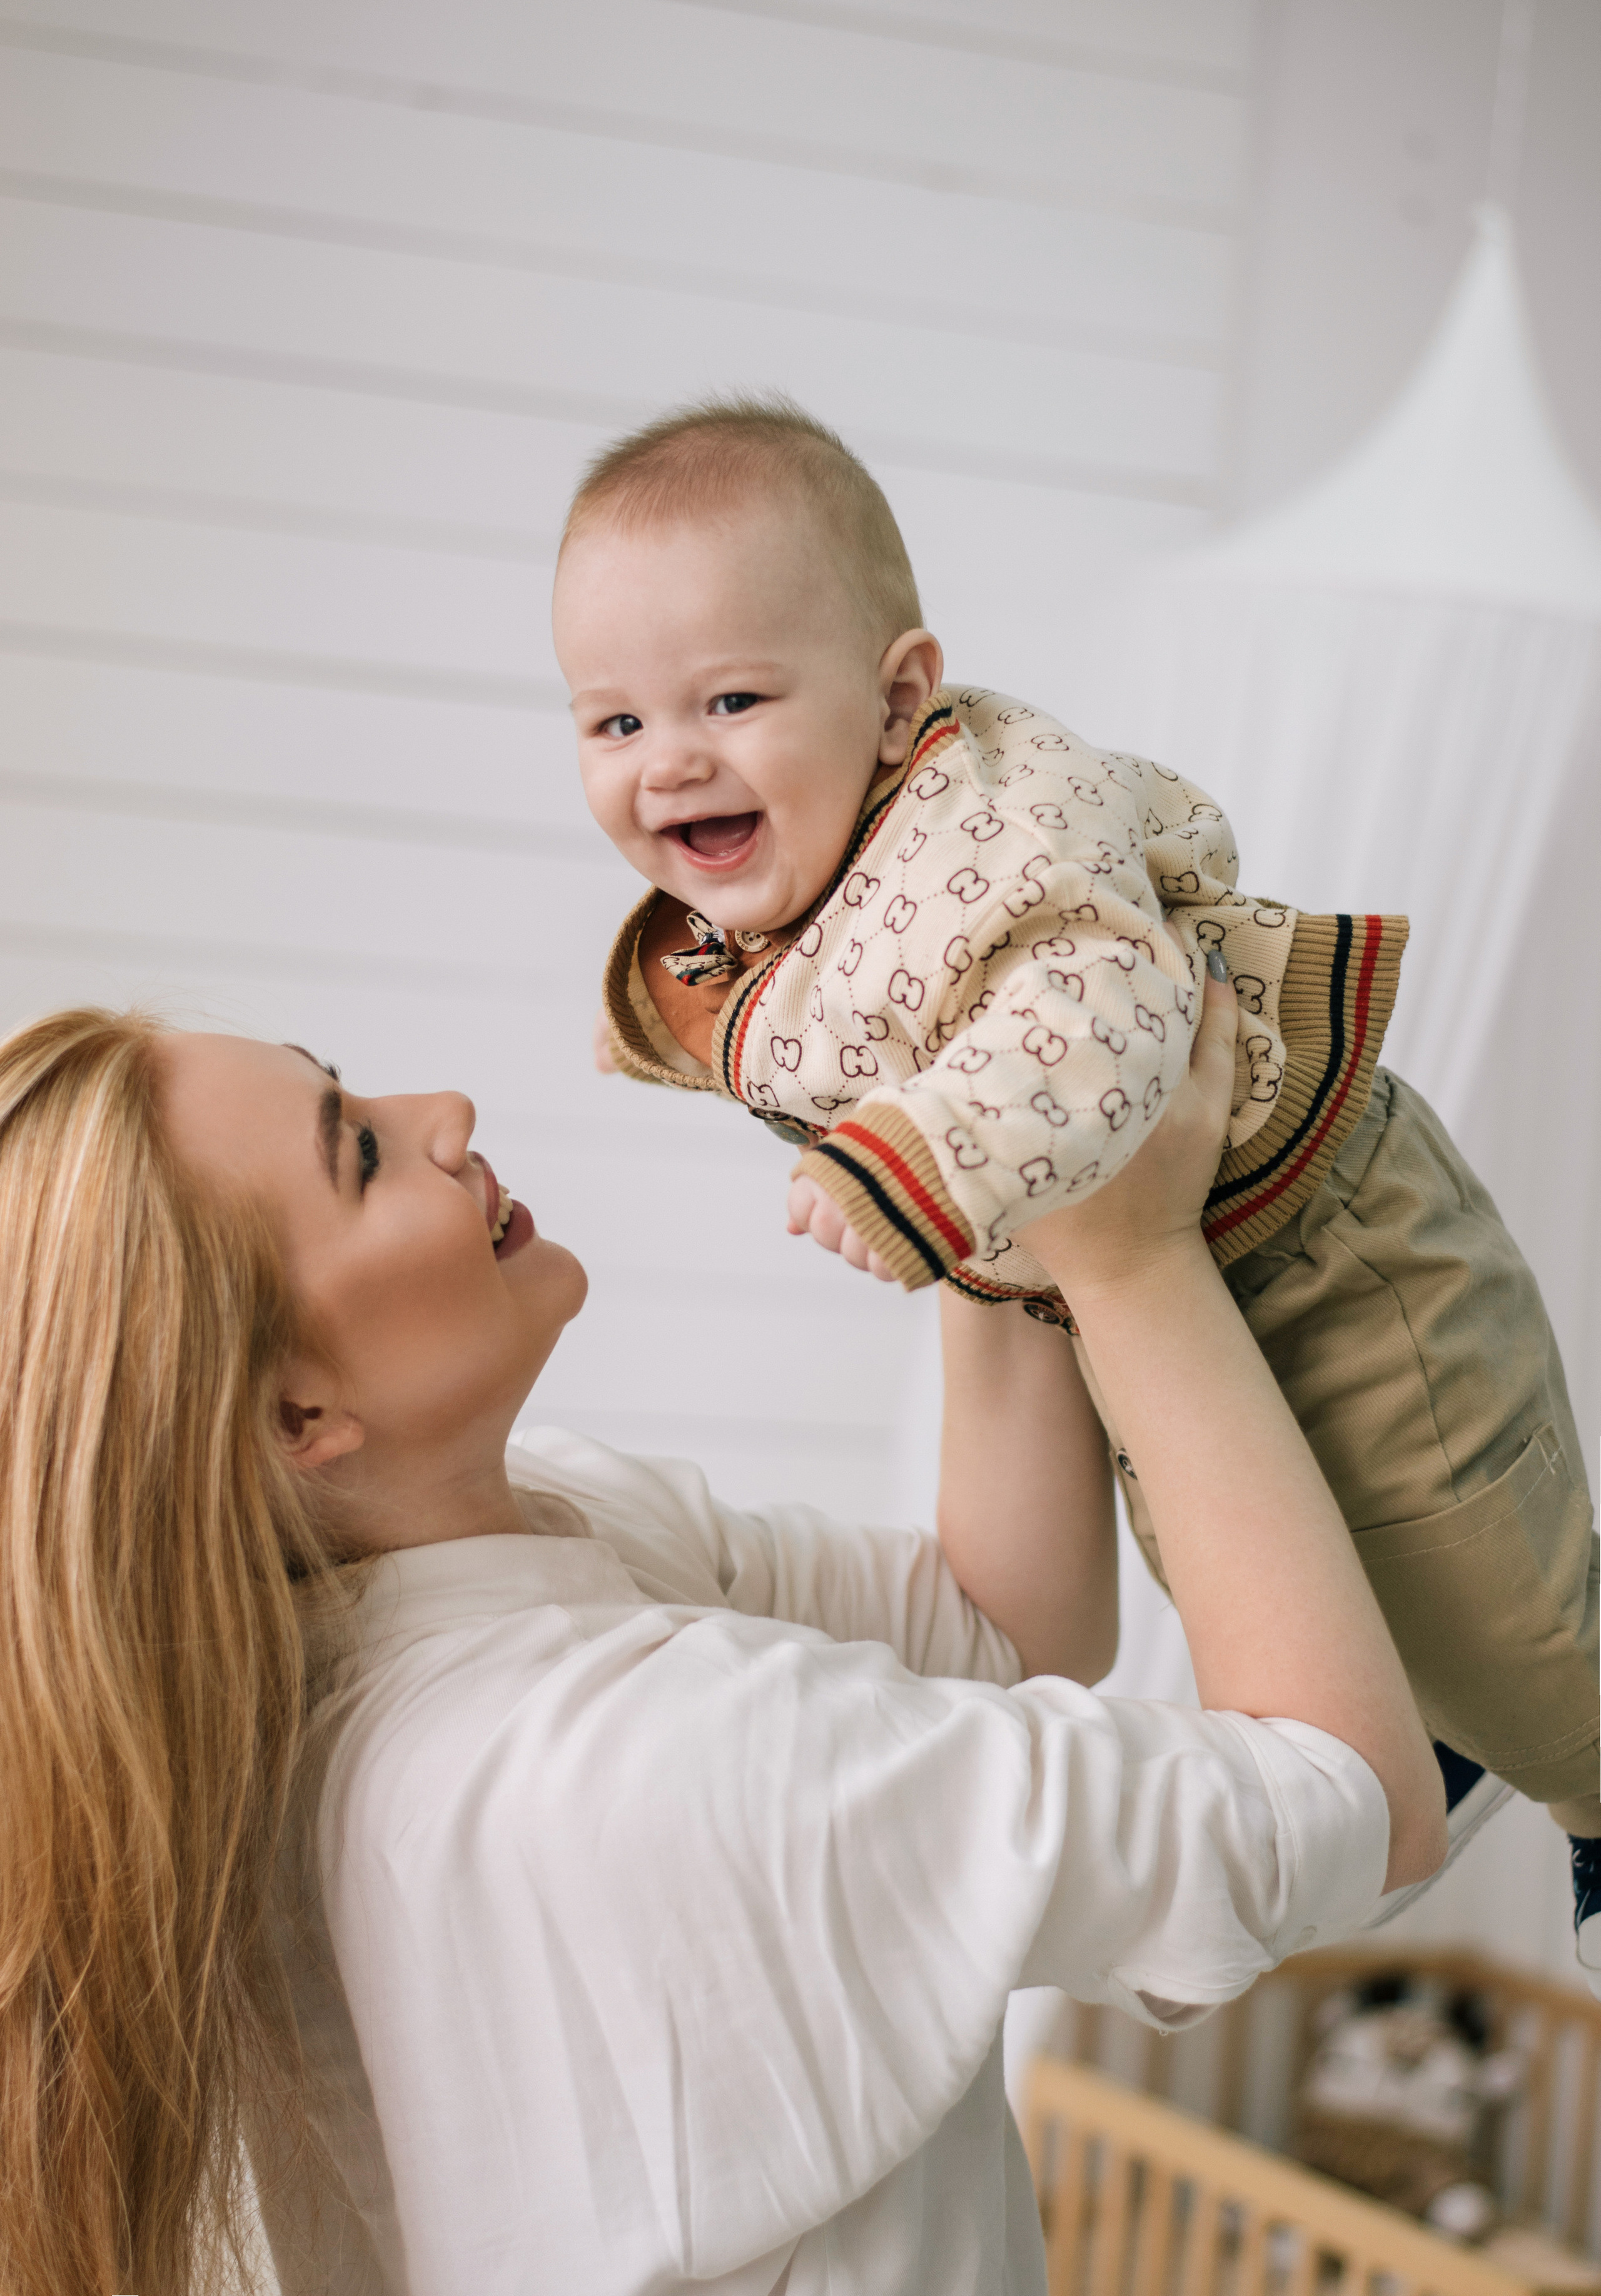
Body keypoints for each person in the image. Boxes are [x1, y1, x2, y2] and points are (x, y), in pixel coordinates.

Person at [0, 984, 1441, 2295]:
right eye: (359, 1155)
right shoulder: (643, 1761)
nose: (442, 1116)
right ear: (296, 1419)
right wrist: (1128, 1258)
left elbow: (999, 1624)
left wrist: (981, 1147)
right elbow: (1354, 1805)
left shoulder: (518, 1548)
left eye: (350, 1086)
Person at [555, 393, 1600, 1964]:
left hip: (1338, 1249)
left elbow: (1088, 1023)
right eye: (613, 724)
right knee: (1240, 1561)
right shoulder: (819, 865)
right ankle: (1430, 1706)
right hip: (1174, 1285)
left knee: (1488, 1589)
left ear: (902, 694)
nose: (667, 761)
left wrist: (907, 1167)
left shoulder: (997, 818)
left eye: (729, 700)